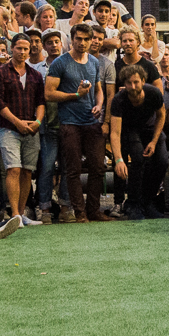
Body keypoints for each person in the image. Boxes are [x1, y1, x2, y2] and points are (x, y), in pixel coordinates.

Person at [47, 22, 111, 223]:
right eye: (78, 39)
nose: (82, 43)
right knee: (73, 169)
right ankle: (79, 212)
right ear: (72, 39)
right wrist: (75, 95)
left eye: (86, 39)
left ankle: (94, 210)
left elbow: (99, 89)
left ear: (92, 41)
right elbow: (49, 93)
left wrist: (99, 104)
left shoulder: (94, 62)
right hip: (69, 122)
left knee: (98, 167)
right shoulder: (60, 63)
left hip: (91, 121)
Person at [0, 33, 46, 224]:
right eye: (19, 48)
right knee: (13, 169)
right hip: (8, 128)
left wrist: (38, 122)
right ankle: (14, 214)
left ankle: (22, 213)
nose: (22, 52)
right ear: (11, 49)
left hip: (31, 128)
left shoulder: (35, 75)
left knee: (27, 171)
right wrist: (17, 122)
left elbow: (41, 101)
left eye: (25, 49)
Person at [109, 64, 167, 218]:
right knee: (138, 158)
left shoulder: (153, 93)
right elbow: (115, 132)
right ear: (124, 83)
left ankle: (148, 201)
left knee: (162, 161)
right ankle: (133, 203)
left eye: (136, 82)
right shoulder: (119, 100)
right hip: (130, 129)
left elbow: (161, 115)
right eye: (129, 83)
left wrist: (154, 141)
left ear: (143, 81)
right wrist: (118, 160)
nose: (133, 86)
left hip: (150, 128)